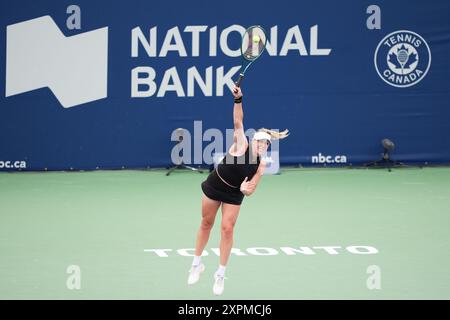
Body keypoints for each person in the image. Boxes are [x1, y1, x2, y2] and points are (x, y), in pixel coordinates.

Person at [188, 85, 289, 295]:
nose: (264, 145)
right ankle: (196, 264)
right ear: (254, 140)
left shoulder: (261, 164)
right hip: (215, 184)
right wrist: (238, 100)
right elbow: (237, 121)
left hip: (234, 193)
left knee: (227, 229)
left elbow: (251, 191)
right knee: (206, 223)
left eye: (267, 143)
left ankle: (221, 274)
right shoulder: (241, 143)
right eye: (261, 141)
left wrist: (244, 189)